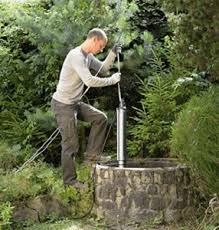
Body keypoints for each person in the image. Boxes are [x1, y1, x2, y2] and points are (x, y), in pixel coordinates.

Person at [51, 28, 121, 189]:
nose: (101, 50)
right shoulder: (76, 56)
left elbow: (103, 68)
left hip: (75, 103)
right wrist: (112, 80)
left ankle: (92, 156)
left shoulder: (88, 57)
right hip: (63, 105)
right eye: (102, 46)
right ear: (94, 40)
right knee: (71, 143)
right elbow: (89, 81)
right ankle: (70, 182)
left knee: (100, 118)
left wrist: (112, 53)